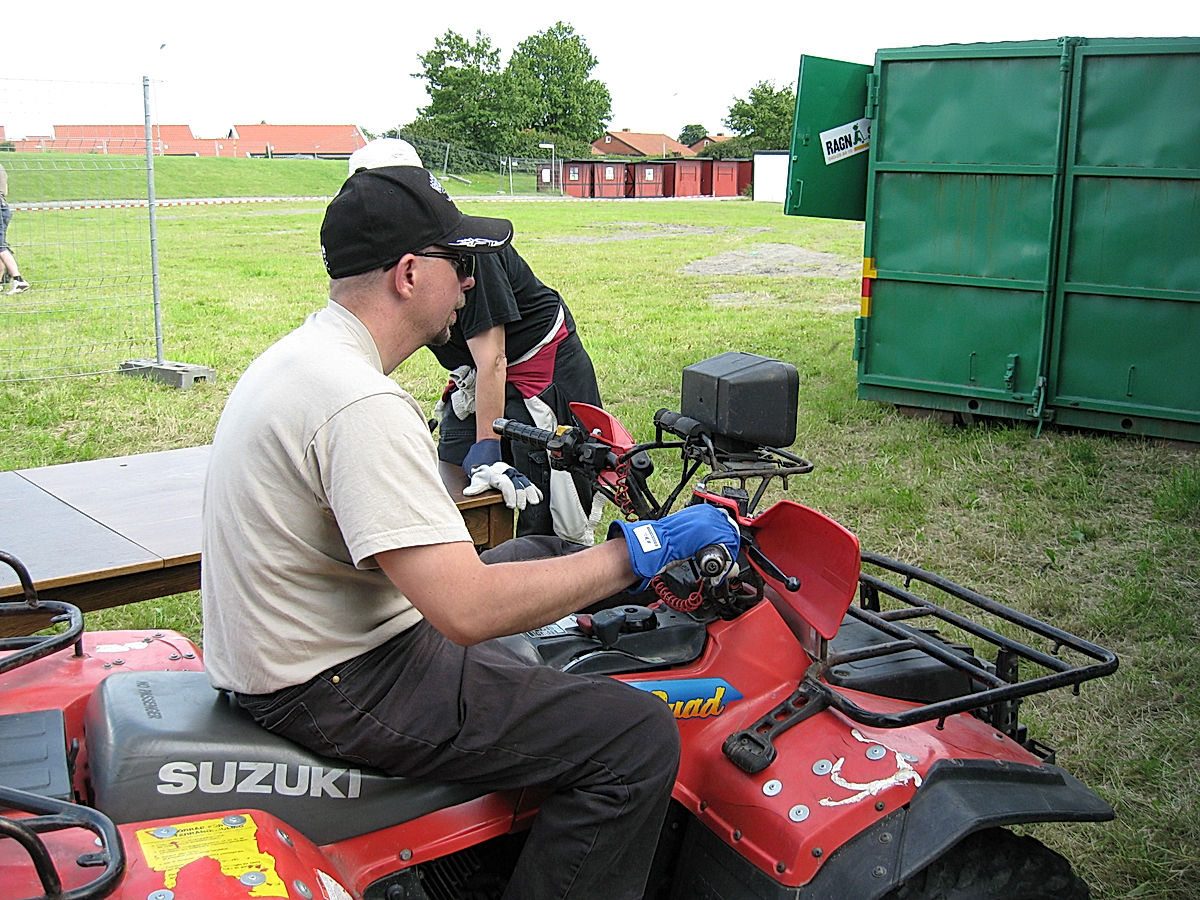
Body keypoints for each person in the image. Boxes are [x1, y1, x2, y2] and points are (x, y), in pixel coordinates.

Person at [201, 164, 740, 900]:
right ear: (408, 274)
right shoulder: (358, 403)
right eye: (458, 263)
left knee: (546, 549)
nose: (468, 282)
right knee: (634, 737)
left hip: (305, 645)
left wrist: (593, 562)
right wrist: (642, 549)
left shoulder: (306, 358)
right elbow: (468, 611)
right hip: (336, 682)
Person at [348, 139, 604, 546]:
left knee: (543, 493)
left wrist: (488, 444)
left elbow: (494, 359)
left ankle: (549, 568)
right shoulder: (376, 259)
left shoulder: (467, 252)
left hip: (535, 368)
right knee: (452, 467)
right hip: (474, 370)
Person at [0, 163, 30, 294]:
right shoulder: (1, 168)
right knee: (1, 246)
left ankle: (19, 280)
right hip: (4, 207)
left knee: (1, 247)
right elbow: (5, 191)